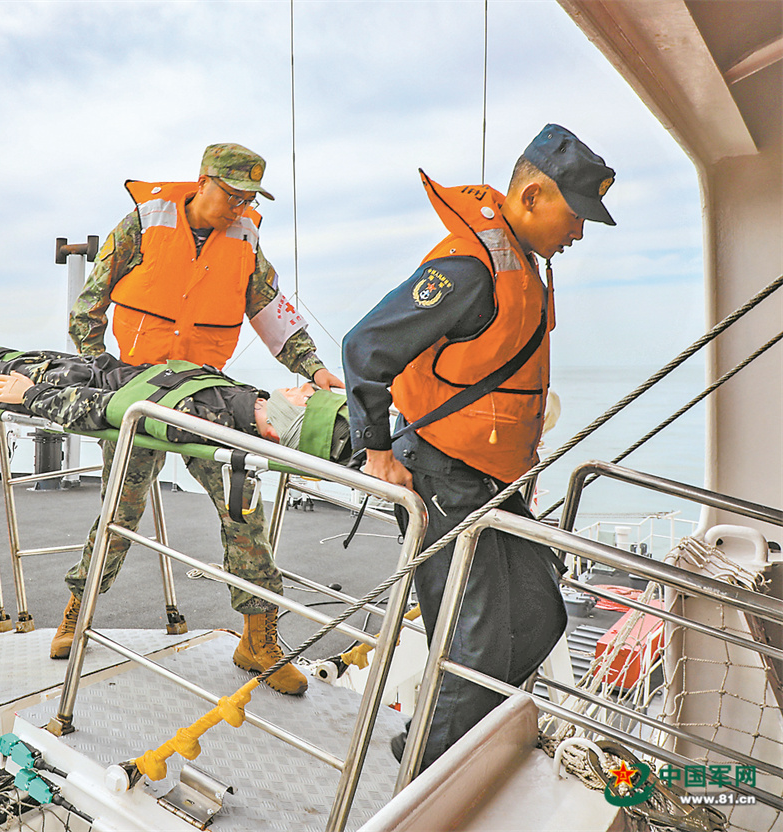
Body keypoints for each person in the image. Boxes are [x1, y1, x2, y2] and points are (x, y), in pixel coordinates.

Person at [343, 124, 616, 771]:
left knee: (541, 611)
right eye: (575, 214)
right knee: (476, 646)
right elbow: (364, 348)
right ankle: (423, 783)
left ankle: (442, 741)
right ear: (532, 195)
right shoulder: (470, 268)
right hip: (439, 471)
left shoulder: (524, 263)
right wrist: (377, 452)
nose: (578, 232)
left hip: (491, 480)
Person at [57, 142, 344, 694]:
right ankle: (79, 612)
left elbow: (271, 311)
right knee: (120, 510)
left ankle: (257, 639)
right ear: (204, 182)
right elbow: (88, 306)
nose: (239, 208)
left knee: (242, 509)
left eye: (248, 199)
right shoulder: (145, 221)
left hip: (201, 398)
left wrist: (315, 368)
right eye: (232, 196)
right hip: (138, 392)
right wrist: (102, 375)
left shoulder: (245, 240)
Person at [0, 312, 351, 462]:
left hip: (84, 391)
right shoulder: (249, 404)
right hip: (105, 371)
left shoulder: (214, 419)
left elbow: (110, 413)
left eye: (307, 398)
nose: (300, 389)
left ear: (285, 427)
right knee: (2, 357)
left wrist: (31, 397)